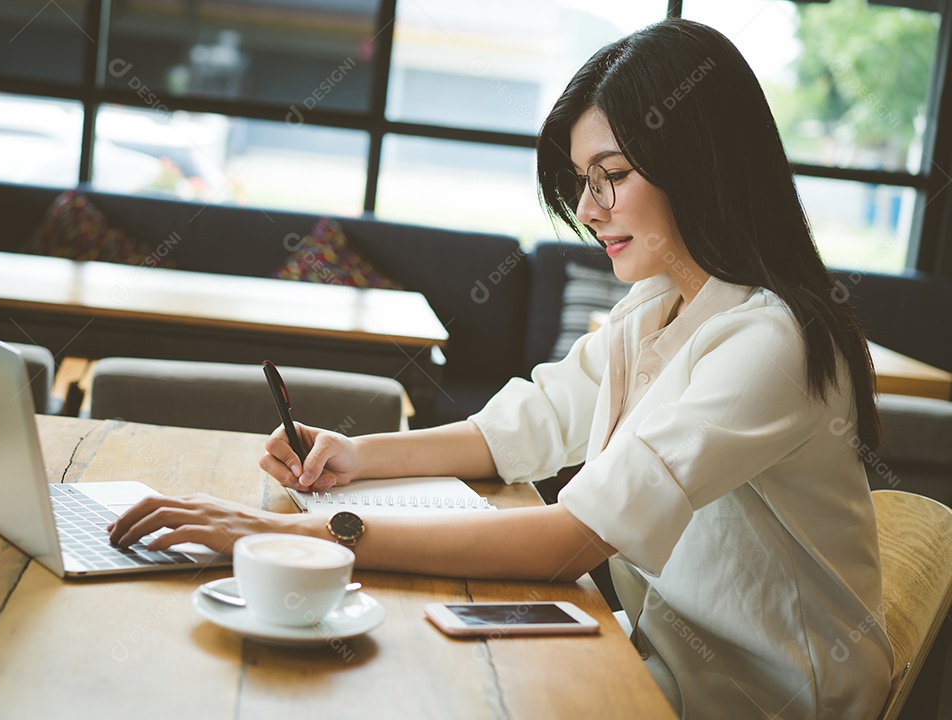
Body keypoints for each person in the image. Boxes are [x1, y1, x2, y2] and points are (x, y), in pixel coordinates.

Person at [108, 18, 894, 720]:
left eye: (611, 175)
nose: (589, 210)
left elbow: (570, 542)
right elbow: (522, 427)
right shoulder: (658, 309)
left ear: (702, 165)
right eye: (586, 181)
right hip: (658, 661)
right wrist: (354, 457)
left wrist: (301, 534)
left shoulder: (772, 341)